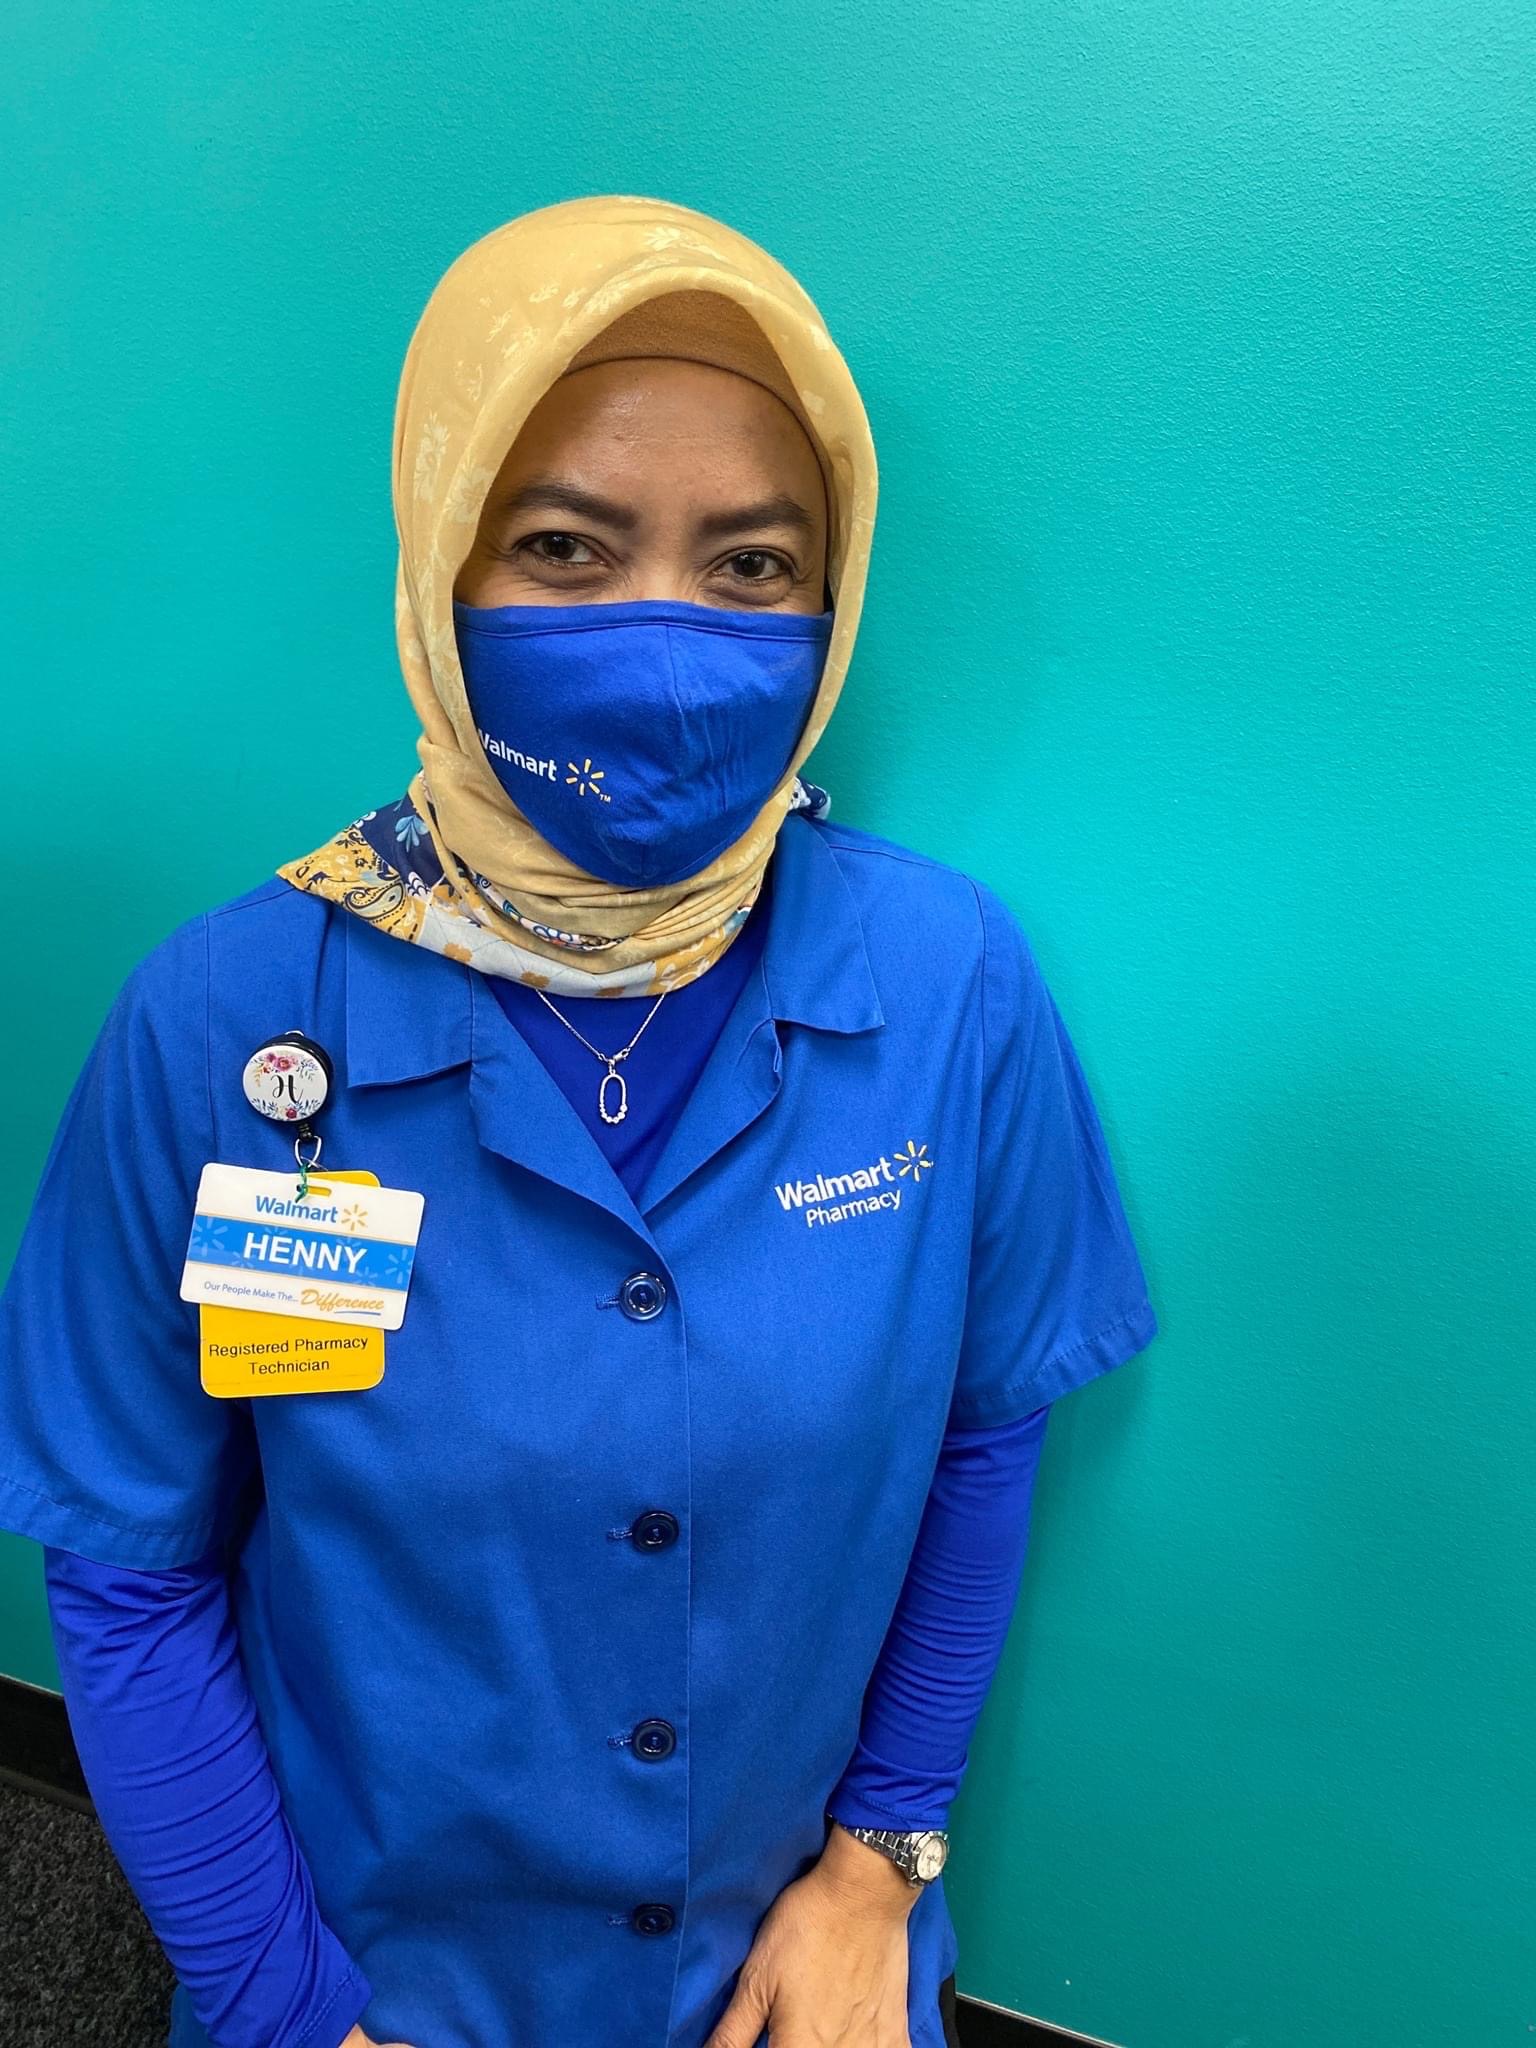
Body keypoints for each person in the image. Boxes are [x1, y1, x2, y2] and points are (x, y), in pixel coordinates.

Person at [0, 194, 1158, 2048]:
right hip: (366, 1978)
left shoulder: (950, 985)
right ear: (437, 564)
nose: (668, 643)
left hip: (795, 1966)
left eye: (753, 564)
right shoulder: (220, 1026)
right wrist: (287, 2010)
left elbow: (986, 1435)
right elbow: (130, 1574)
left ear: (833, 601)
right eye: (562, 547)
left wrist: (881, 1863)